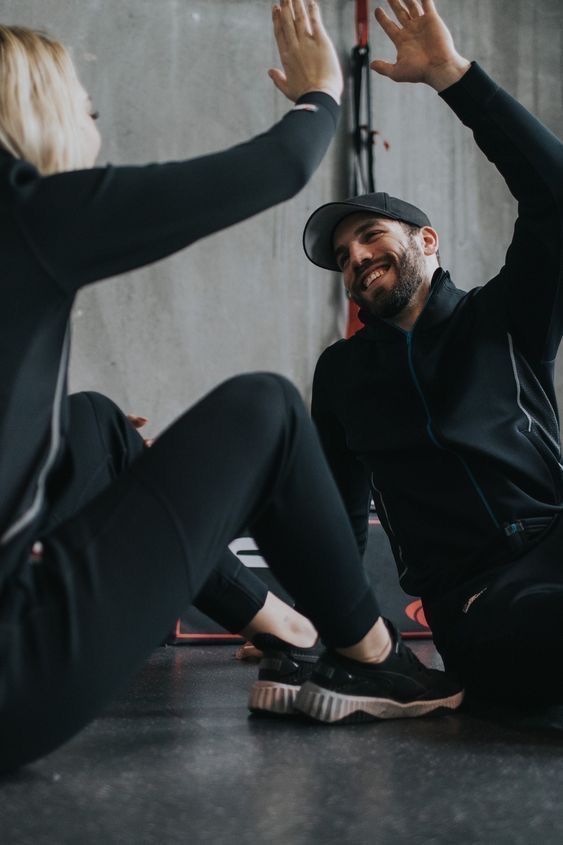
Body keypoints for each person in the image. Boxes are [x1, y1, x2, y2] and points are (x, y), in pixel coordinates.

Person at [0, 1, 463, 774]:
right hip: (14, 675)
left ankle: (288, 628)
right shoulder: (25, 212)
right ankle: (381, 657)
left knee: (95, 423)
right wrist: (322, 93)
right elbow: (278, 169)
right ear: (35, 110)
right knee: (265, 410)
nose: (92, 120)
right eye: (84, 104)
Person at [303, 0, 563, 706]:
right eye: (341, 256)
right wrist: (327, 626)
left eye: (369, 235)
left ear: (426, 239)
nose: (354, 257)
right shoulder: (342, 374)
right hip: (479, 599)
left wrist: (454, 77)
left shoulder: (504, 315)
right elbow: (336, 513)